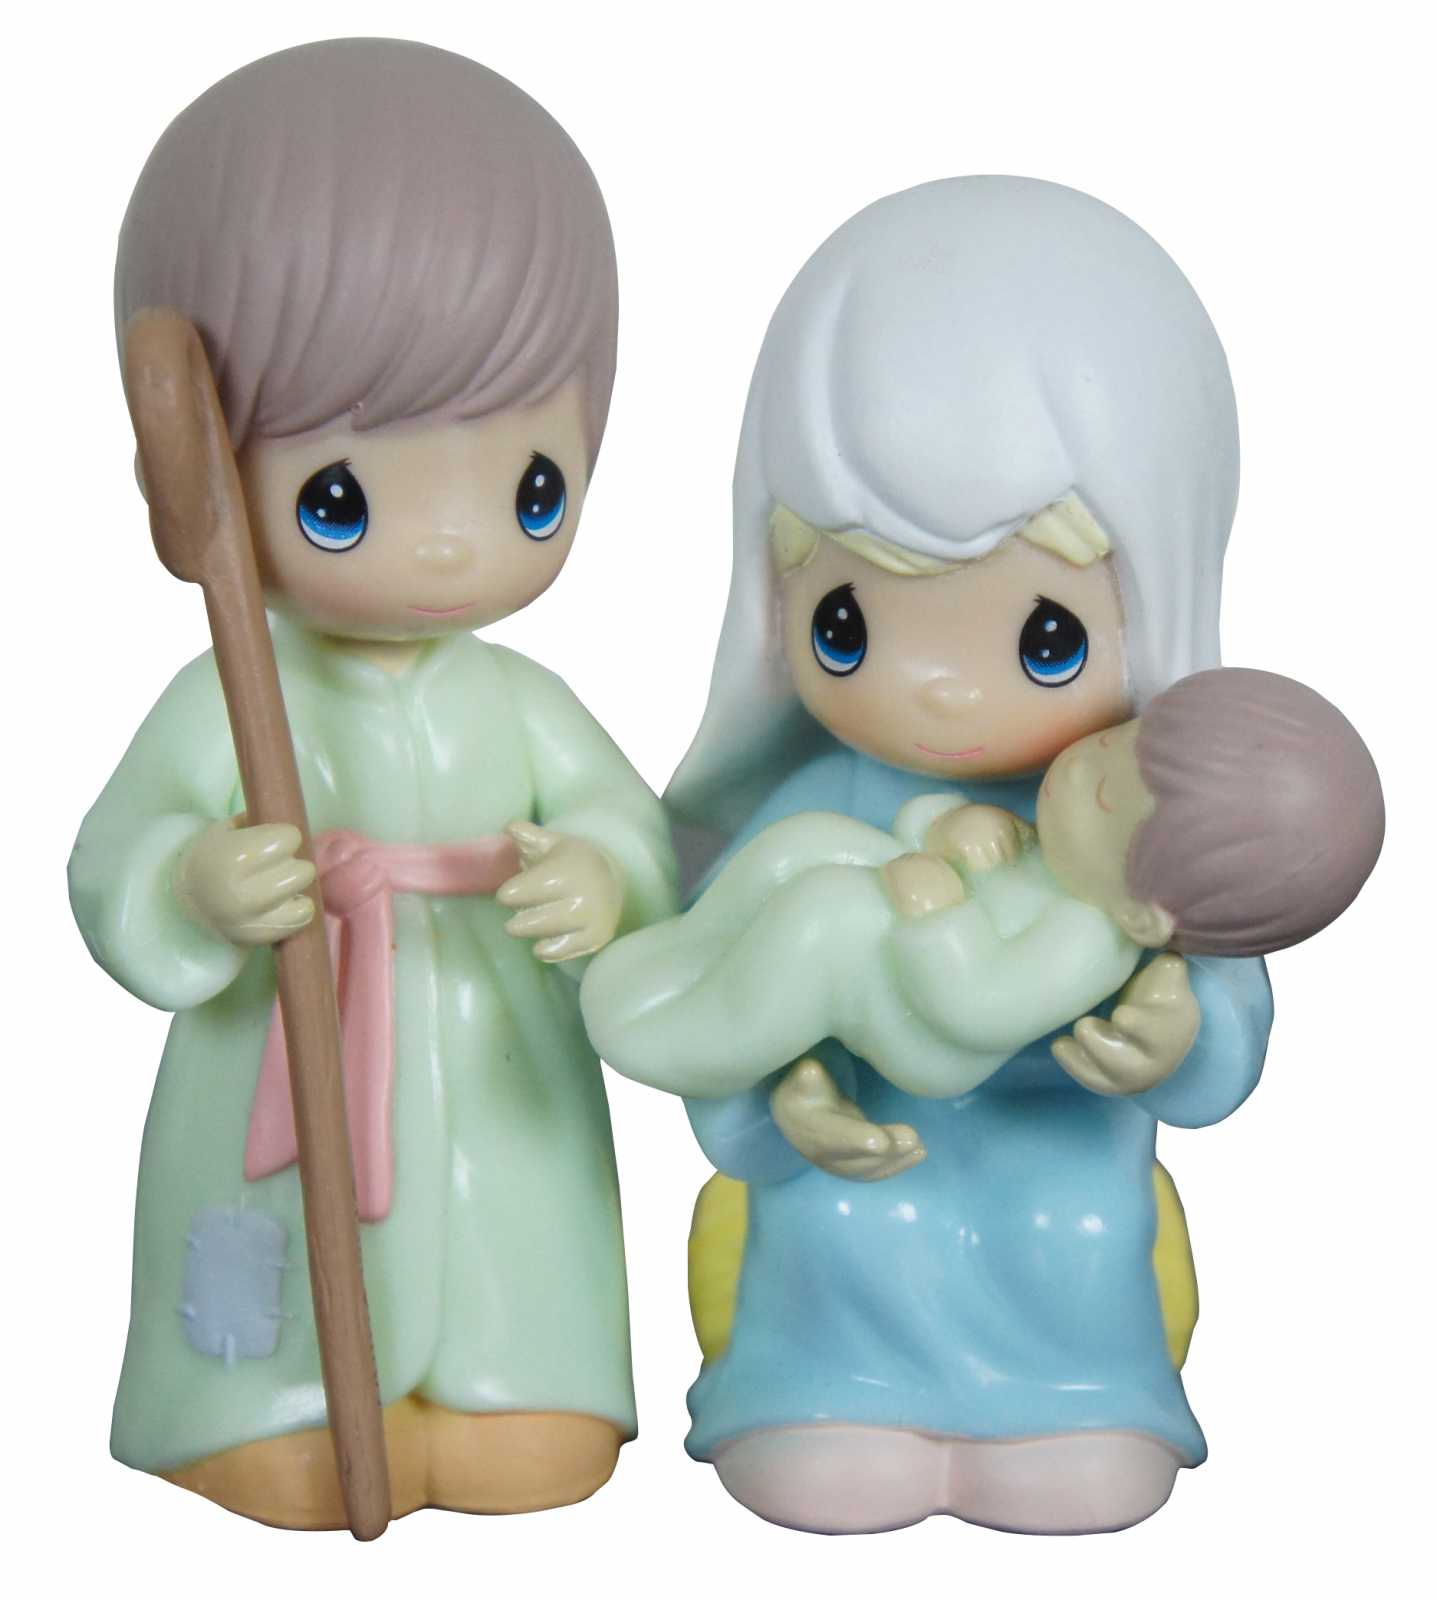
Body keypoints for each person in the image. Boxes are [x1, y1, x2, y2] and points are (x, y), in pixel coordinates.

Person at [69, 40, 676, 1529]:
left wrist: (601, 877)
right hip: (275, 1060)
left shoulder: (520, 704)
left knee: (517, 1243)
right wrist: (194, 882)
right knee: (256, 1279)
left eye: (529, 486)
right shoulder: (230, 697)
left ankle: (515, 1380)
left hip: (497, 1057)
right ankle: (249, 1399)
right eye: (342, 495)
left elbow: (633, 830)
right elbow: (117, 855)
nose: (452, 546)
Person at [657, 176, 1279, 1535]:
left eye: (1043, 637)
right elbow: (726, 984)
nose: (936, 690)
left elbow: (1224, 1011)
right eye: (848, 623)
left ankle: (1081, 1402)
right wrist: (788, 1096)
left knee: (1075, 1231)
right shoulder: (814, 804)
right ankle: (818, 1390)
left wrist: (1175, 1030)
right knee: (842, 1224)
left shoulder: (1140, 809)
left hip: (1060, 1166)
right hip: (862, 1176)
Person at [584, 667, 1383, 1115]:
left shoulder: (1087, 938)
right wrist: (949, 825)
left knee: (830, 913)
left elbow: (982, 1008)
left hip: (929, 1036)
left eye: (1107, 793)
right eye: (1116, 742)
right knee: (809, 842)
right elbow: (941, 843)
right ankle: (678, 957)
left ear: (1143, 915)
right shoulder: (1065, 853)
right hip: (910, 934)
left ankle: (693, 1038)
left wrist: (938, 920)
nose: (1081, 764)